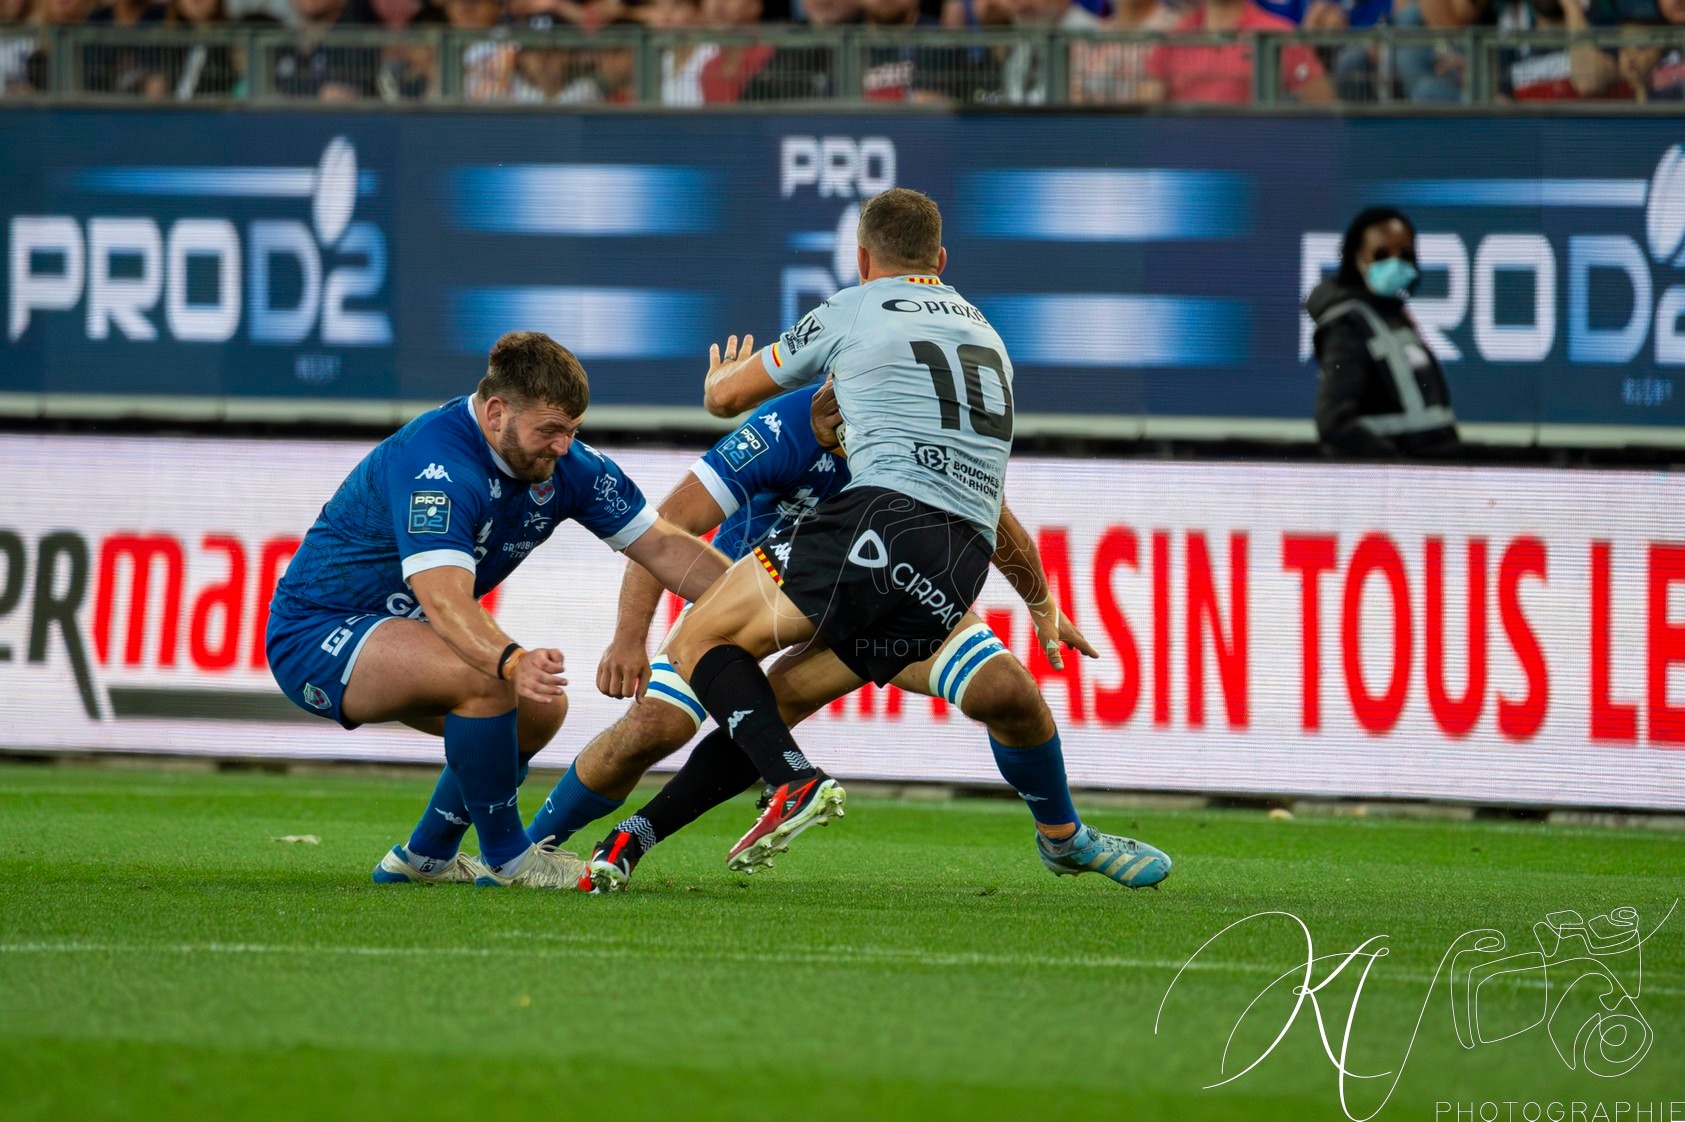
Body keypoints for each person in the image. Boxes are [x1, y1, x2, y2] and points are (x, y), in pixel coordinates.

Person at [654, 188, 1164, 882]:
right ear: (941, 260)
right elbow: (987, 495)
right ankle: (1060, 835)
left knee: (697, 641)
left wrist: (717, 381)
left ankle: (787, 783)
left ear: (861, 259)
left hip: (878, 526)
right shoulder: (986, 333)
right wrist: (1040, 604)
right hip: (958, 558)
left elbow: (727, 399)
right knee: (821, 696)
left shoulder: (855, 306)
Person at [540, 380, 1170, 891]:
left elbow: (991, 514)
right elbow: (667, 524)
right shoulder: (786, 429)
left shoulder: (917, 435)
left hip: (875, 593)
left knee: (1006, 690)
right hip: (756, 595)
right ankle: (527, 848)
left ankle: (1065, 840)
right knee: (654, 729)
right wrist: (630, 636)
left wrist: (1038, 598)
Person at [265, 331, 729, 888]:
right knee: (488, 673)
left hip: (400, 632)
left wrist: (766, 602)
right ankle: (512, 860)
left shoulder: (569, 466)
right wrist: (509, 659)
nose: (563, 447)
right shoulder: (435, 462)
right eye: (550, 431)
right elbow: (444, 601)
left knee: (539, 710)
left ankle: (423, 858)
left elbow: (664, 548)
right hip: (316, 636)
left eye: (573, 431)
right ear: (495, 413)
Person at [1306, 207, 1459, 458]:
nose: (1395, 262)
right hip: (1396, 485)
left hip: (1433, 478)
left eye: (1405, 254)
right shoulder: (1349, 326)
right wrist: (1397, 469)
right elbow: (1335, 424)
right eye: (1381, 254)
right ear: (1357, 258)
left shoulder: (1394, 317)